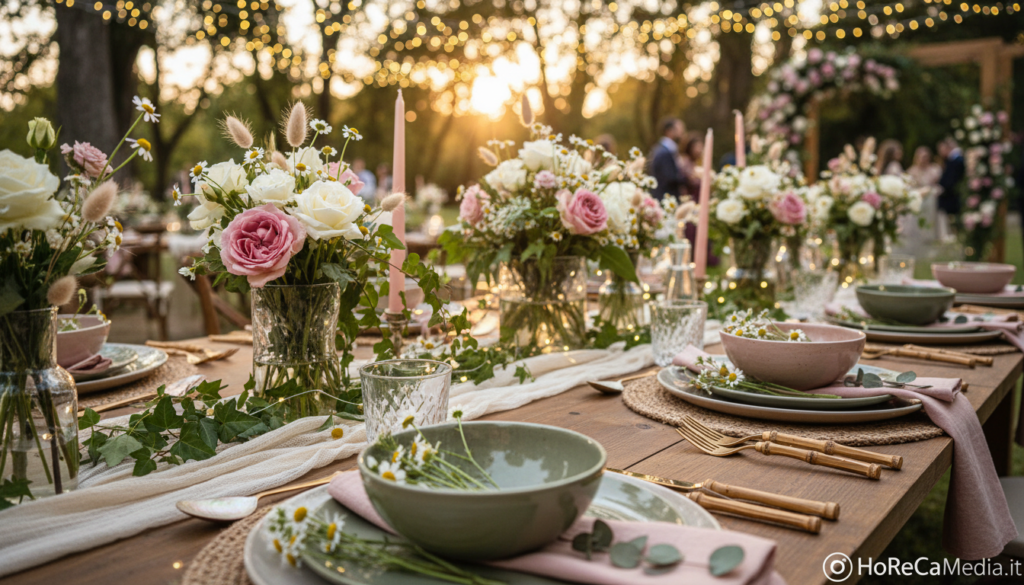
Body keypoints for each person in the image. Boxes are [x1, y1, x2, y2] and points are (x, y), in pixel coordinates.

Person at [893, 146, 942, 258]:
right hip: (918, 201)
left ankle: (931, 241)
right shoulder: (912, 171)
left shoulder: (934, 169)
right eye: (921, 157)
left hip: (931, 201)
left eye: (925, 157)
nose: (923, 159)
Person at [648, 117, 687, 201]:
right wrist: (687, 177)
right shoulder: (664, 152)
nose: (682, 132)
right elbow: (670, 177)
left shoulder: (664, 150)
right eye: (679, 129)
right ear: (669, 131)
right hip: (665, 199)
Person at [937, 137, 965, 241]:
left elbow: (952, 180)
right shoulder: (952, 160)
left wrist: (943, 188)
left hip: (952, 196)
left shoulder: (956, 160)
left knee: (953, 218)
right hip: (950, 195)